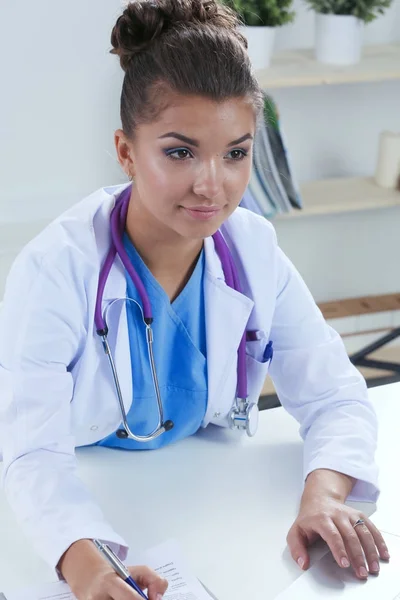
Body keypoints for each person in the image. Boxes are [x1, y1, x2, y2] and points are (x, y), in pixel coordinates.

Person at [0, 0, 390, 598]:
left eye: (236, 153)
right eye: (180, 152)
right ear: (126, 151)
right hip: (79, 489)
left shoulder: (253, 251)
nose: (214, 184)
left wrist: (324, 494)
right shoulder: (56, 272)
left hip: (201, 490)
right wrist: (90, 569)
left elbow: (336, 393)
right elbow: (33, 457)